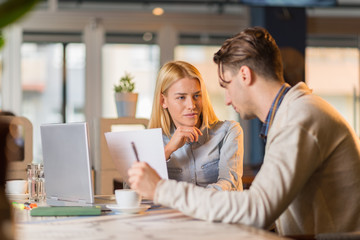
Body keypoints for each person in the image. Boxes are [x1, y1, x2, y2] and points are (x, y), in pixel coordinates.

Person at [128, 27, 360, 236]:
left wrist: (160, 188)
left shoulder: (299, 119)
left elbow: (258, 210)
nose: (227, 100)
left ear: (245, 76)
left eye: (226, 85)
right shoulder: (295, 113)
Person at [148, 60, 243, 191]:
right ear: (163, 101)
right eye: (181, 97)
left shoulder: (229, 132)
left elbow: (229, 185)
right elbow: (132, 192)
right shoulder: (153, 141)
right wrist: (167, 151)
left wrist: (185, 201)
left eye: (197, 96)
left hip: (215, 211)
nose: (191, 106)